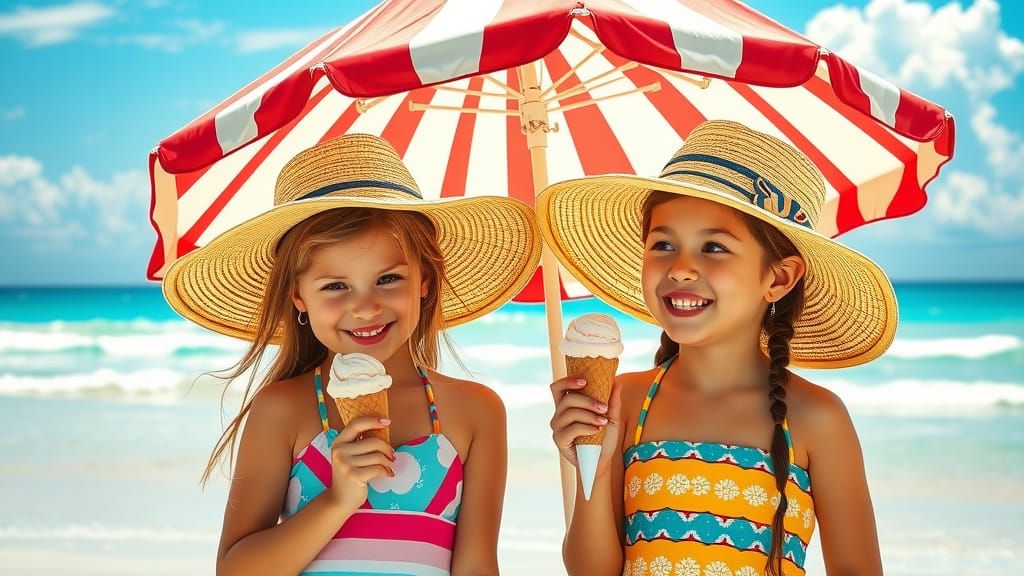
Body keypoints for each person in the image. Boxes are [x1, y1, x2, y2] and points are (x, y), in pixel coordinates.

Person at [162, 134, 541, 575]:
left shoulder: (476, 411)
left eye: (388, 279)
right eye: (335, 287)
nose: (365, 307)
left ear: (424, 280)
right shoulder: (281, 409)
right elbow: (235, 570)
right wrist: (338, 500)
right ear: (298, 297)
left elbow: (477, 566)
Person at [540, 120, 892, 575]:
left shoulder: (817, 418)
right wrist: (593, 463)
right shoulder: (622, 401)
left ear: (779, 278)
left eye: (714, 248)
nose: (681, 268)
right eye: (663, 244)